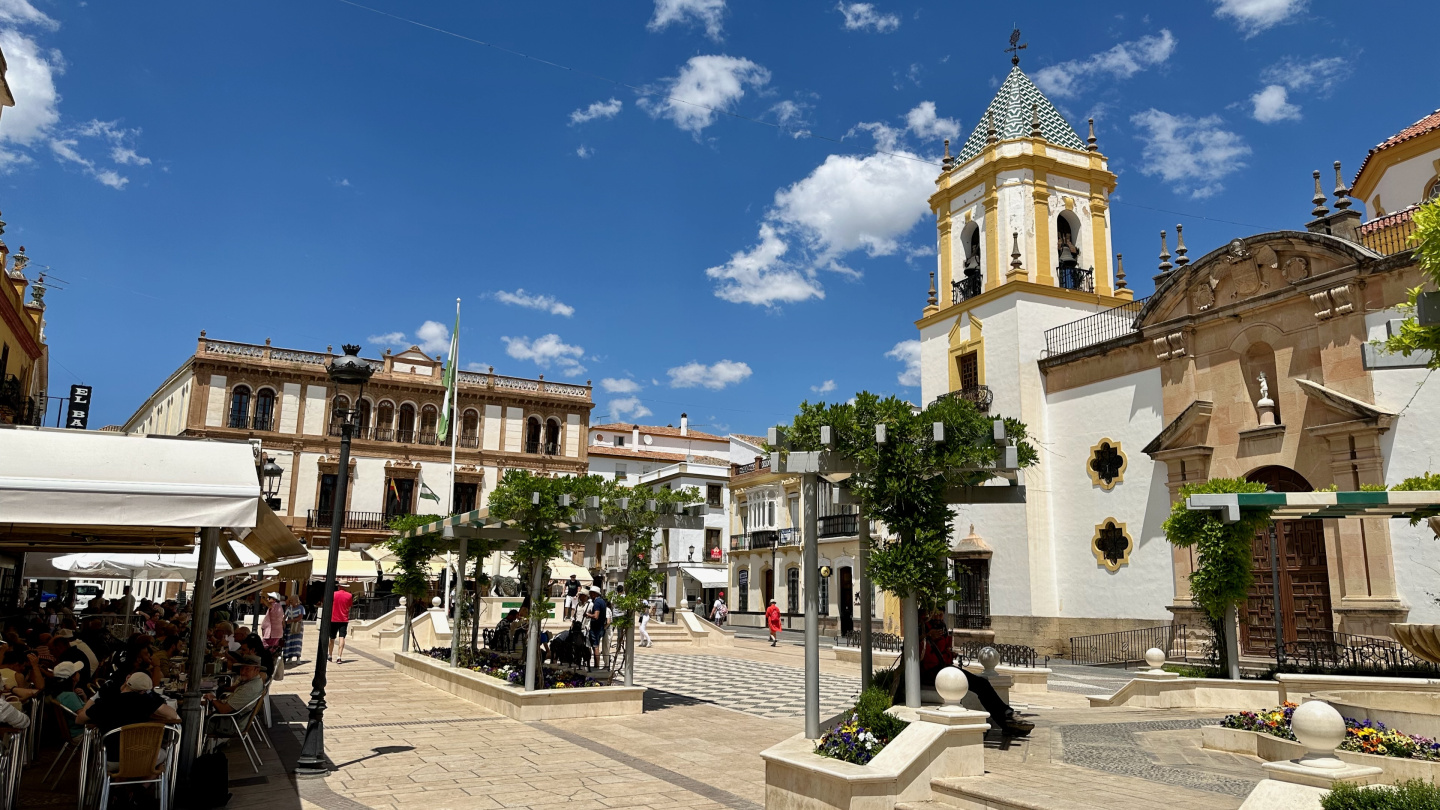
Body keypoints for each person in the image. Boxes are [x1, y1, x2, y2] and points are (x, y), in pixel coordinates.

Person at [917, 616, 1032, 736]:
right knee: (981, 684)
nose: (939, 617)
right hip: (933, 672)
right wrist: (928, 636)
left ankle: (1005, 719)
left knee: (982, 683)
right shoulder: (921, 627)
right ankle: (1005, 717)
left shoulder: (937, 626)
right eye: (937, 613)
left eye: (941, 614)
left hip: (944, 669)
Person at [78, 672, 180, 767]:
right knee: (164, 753)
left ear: (127, 682)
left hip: (109, 759)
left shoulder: (105, 702)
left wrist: (90, 702)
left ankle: (120, 782)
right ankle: (143, 785)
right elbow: (172, 715)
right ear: (143, 691)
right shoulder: (146, 702)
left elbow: (79, 720)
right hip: (140, 757)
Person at [203, 655, 266, 735]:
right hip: (229, 720)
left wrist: (212, 699)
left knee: (194, 723)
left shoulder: (249, 688)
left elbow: (223, 710)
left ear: (256, 670)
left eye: (247, 669)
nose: (243, 672)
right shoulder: (255, 681)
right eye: (242, 668)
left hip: (229, 724)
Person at [328, 585, 354, 664]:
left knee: (332, 638)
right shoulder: (349, 595)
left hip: (333, 618)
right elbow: (349, 606)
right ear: (345, 587)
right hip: (344, 619)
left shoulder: (333, 594)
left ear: (339, 587)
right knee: (342, 637)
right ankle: (339, 657)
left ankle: (330, 655)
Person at [282, 594, 306, 663]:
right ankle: (289, 657)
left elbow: (300, 617)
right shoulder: (289, 608)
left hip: (297, 627)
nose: (291, 602)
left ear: (296, 601)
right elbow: (284, 617)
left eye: (292, 601)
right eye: (290, 601)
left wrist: (290, 621)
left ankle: (298, 658)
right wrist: (283, 622)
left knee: (297, 642)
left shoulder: (301, 608)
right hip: (289, 628)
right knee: (289, 642)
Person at [585, 587, 608, 652]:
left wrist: (587, 614)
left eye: (591, 593)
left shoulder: (597, 602)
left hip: (596, 628)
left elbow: (596, 616)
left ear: (594, 594)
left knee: (595, 647)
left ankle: (596, 662)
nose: (590, 595)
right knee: (596, 646)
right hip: (601, 627)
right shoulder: (602, 601)